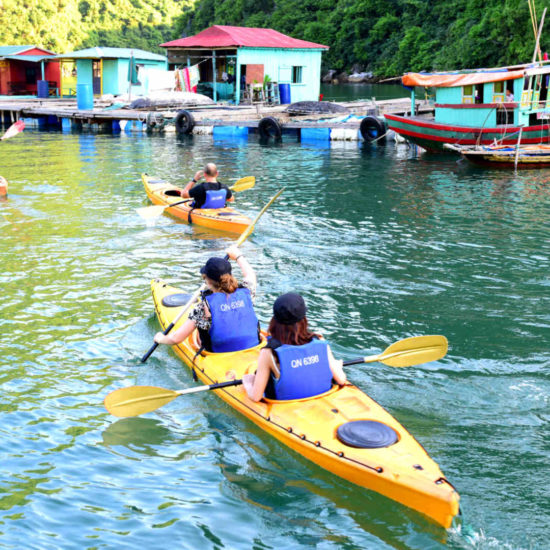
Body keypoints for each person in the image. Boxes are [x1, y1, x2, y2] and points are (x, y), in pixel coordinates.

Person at [153, 246, 260, 353]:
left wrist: (161, 338)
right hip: (254, 347)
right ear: (230, 276)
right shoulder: (247, 291)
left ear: (207, 281)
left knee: (201, 332)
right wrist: (238, 256)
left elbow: (175, 339)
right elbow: (250, 275)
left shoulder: (203, 307)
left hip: (221, 356)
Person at [243, 293, 346, 402]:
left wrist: (249, 383)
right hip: (322, 400)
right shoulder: (319, 340)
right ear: (304, 319)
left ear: (275, 321)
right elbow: (341, 380)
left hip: (285, 409)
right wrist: (337, 366)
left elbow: (256, 397)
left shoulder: (269, 352)